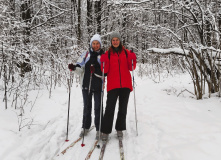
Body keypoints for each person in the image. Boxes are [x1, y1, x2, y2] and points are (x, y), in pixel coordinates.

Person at [100, 31, 137, 141]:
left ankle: (120, 128)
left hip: (125, 84)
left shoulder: (126, 53)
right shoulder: (107, 54)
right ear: (111, 42)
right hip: (113, 85)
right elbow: (105, 71)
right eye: (113, 40)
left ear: (120, 41)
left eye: (117, 40)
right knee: (109, 108)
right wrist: (104, 61)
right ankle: (106, 131)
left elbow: (131, 68)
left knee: (123, 108)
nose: (115, 42)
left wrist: (133, 59)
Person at [68, 34, 104, 140]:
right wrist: (74, 68)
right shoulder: (86, 54)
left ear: (100, 44)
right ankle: (85, 127)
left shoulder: (103, 56)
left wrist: (96, 71)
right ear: (91, 44)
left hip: (98, 86)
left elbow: (106, 71)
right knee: (87, 107)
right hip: (86, 85)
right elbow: (80, 69)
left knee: (98, 107)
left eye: (97, 43)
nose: (96, 45)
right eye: (94, 43)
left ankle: (99, 128)